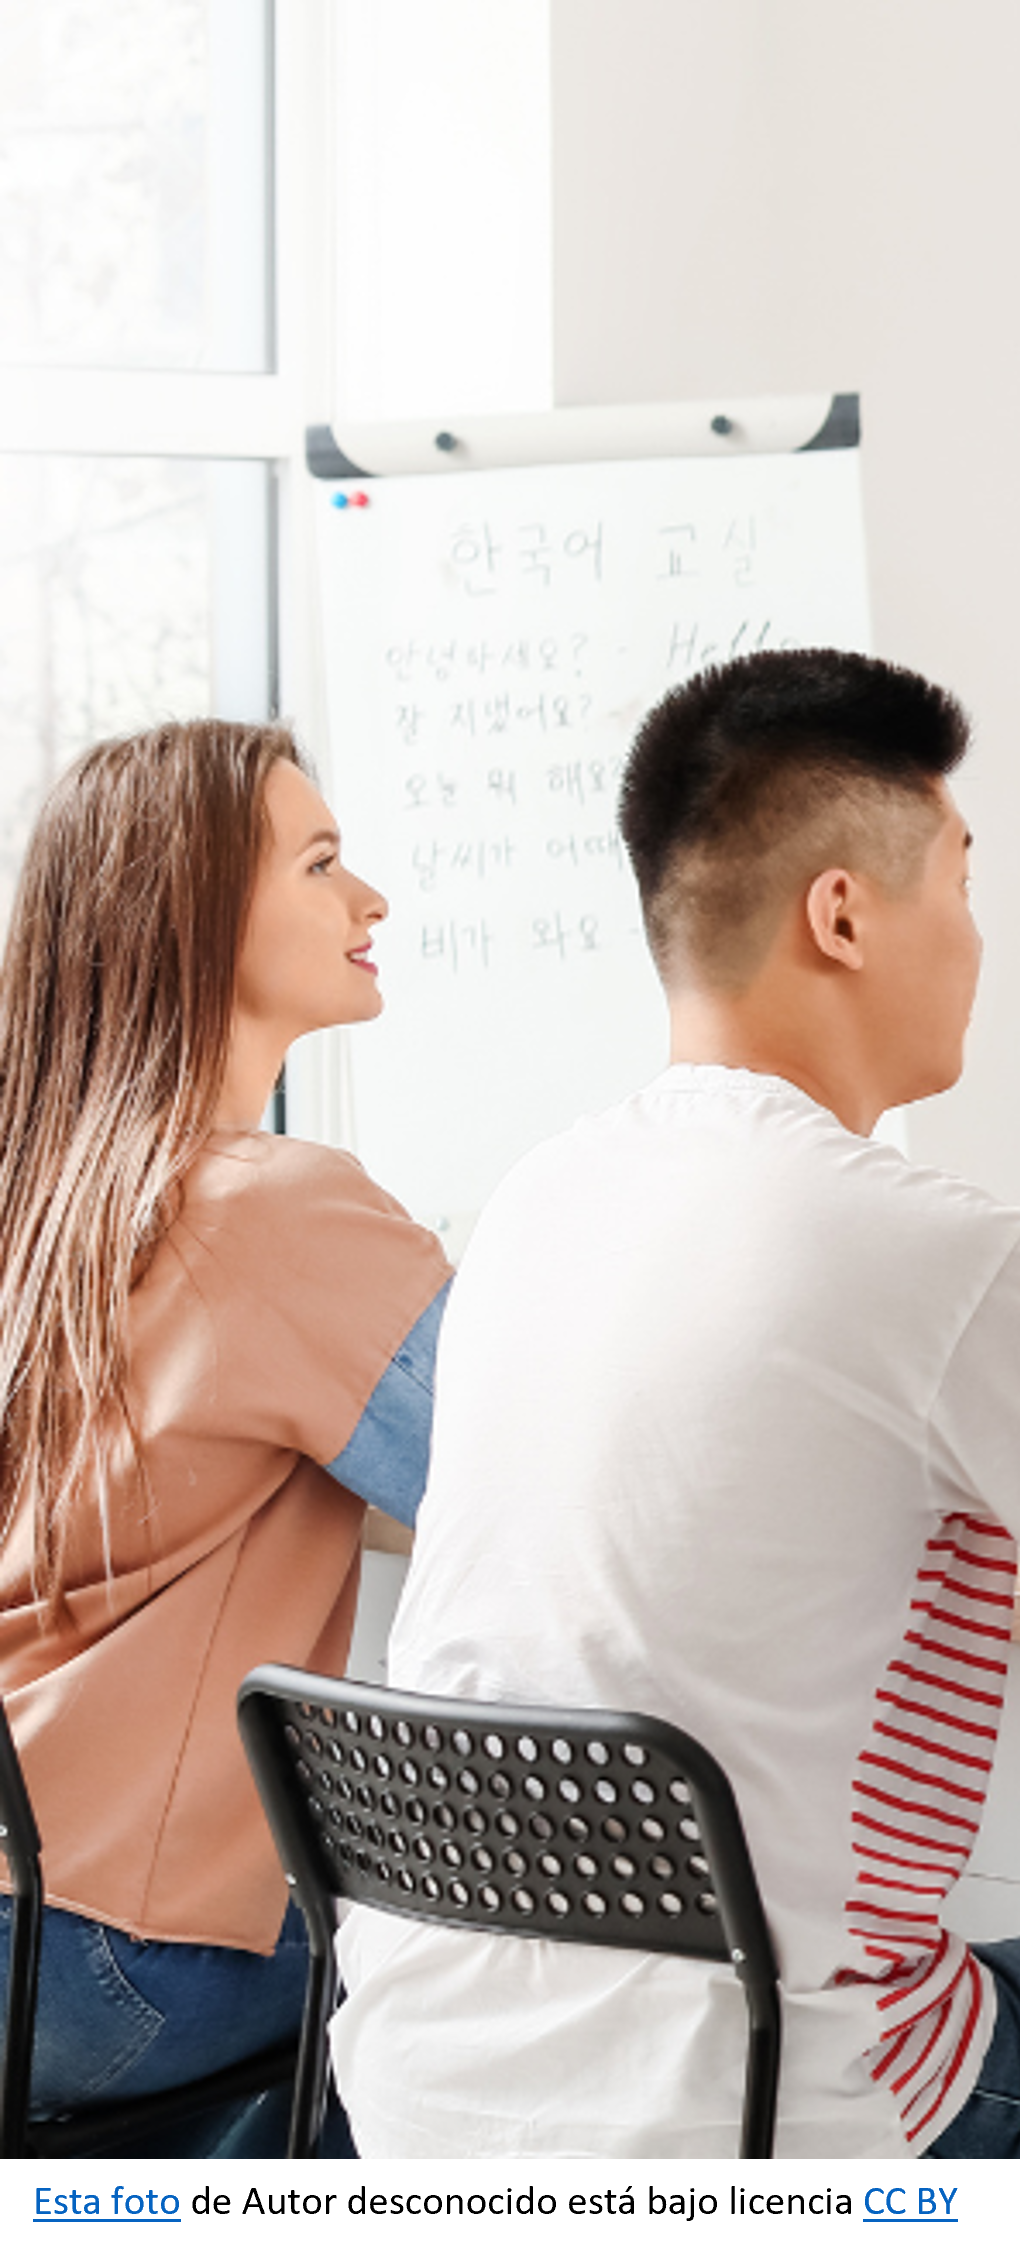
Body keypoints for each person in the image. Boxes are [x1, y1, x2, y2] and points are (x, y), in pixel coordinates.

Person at [327, 650, 1020, 2159]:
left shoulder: (537, 1198)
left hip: (416, 2086)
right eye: (962, 881)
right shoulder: (937, 1250)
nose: (979, 936)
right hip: (766, 2106)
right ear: (844, 914)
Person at [0, 722, 447, 2158]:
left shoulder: (41, 1205)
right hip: (113, 1951)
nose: (369, 896)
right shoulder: (273, 1208)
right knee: (501, 1983)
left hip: (25, 1938)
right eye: (320, 863)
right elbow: (520, 1482)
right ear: (195, 914)